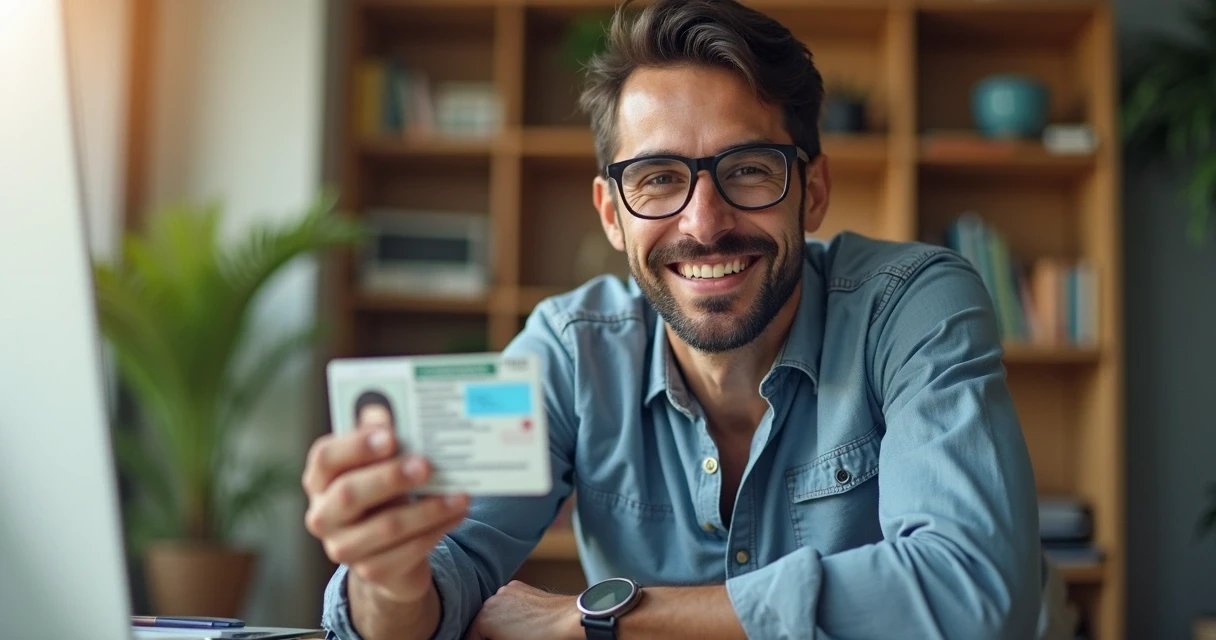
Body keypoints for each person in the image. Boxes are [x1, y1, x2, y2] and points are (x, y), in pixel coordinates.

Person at [302, 1, 1050, 638]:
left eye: (749, 169)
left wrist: (601, 619)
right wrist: (390, 580)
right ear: (612, 215)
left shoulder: (913, 304)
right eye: (657, 179)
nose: (704, 223)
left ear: (812, 190)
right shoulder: (570, 352)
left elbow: (973, 592)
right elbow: (440, 581)